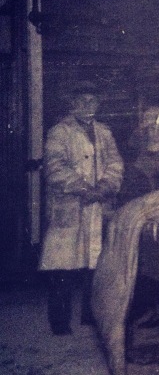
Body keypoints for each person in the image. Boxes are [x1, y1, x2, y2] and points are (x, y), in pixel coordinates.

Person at [39, 82, 124, 335]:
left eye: (93, 101)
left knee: (94, 267)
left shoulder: (104, 132)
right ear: (73, 104)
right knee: (63, 268)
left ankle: (90, 316)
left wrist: (105, 187)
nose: (88, 106)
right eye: (83, 101)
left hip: (98, 206)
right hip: (69, 207)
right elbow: (55, 168)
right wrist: (83, 188)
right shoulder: (59, 132)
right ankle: (59, 322)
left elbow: (115, 163)